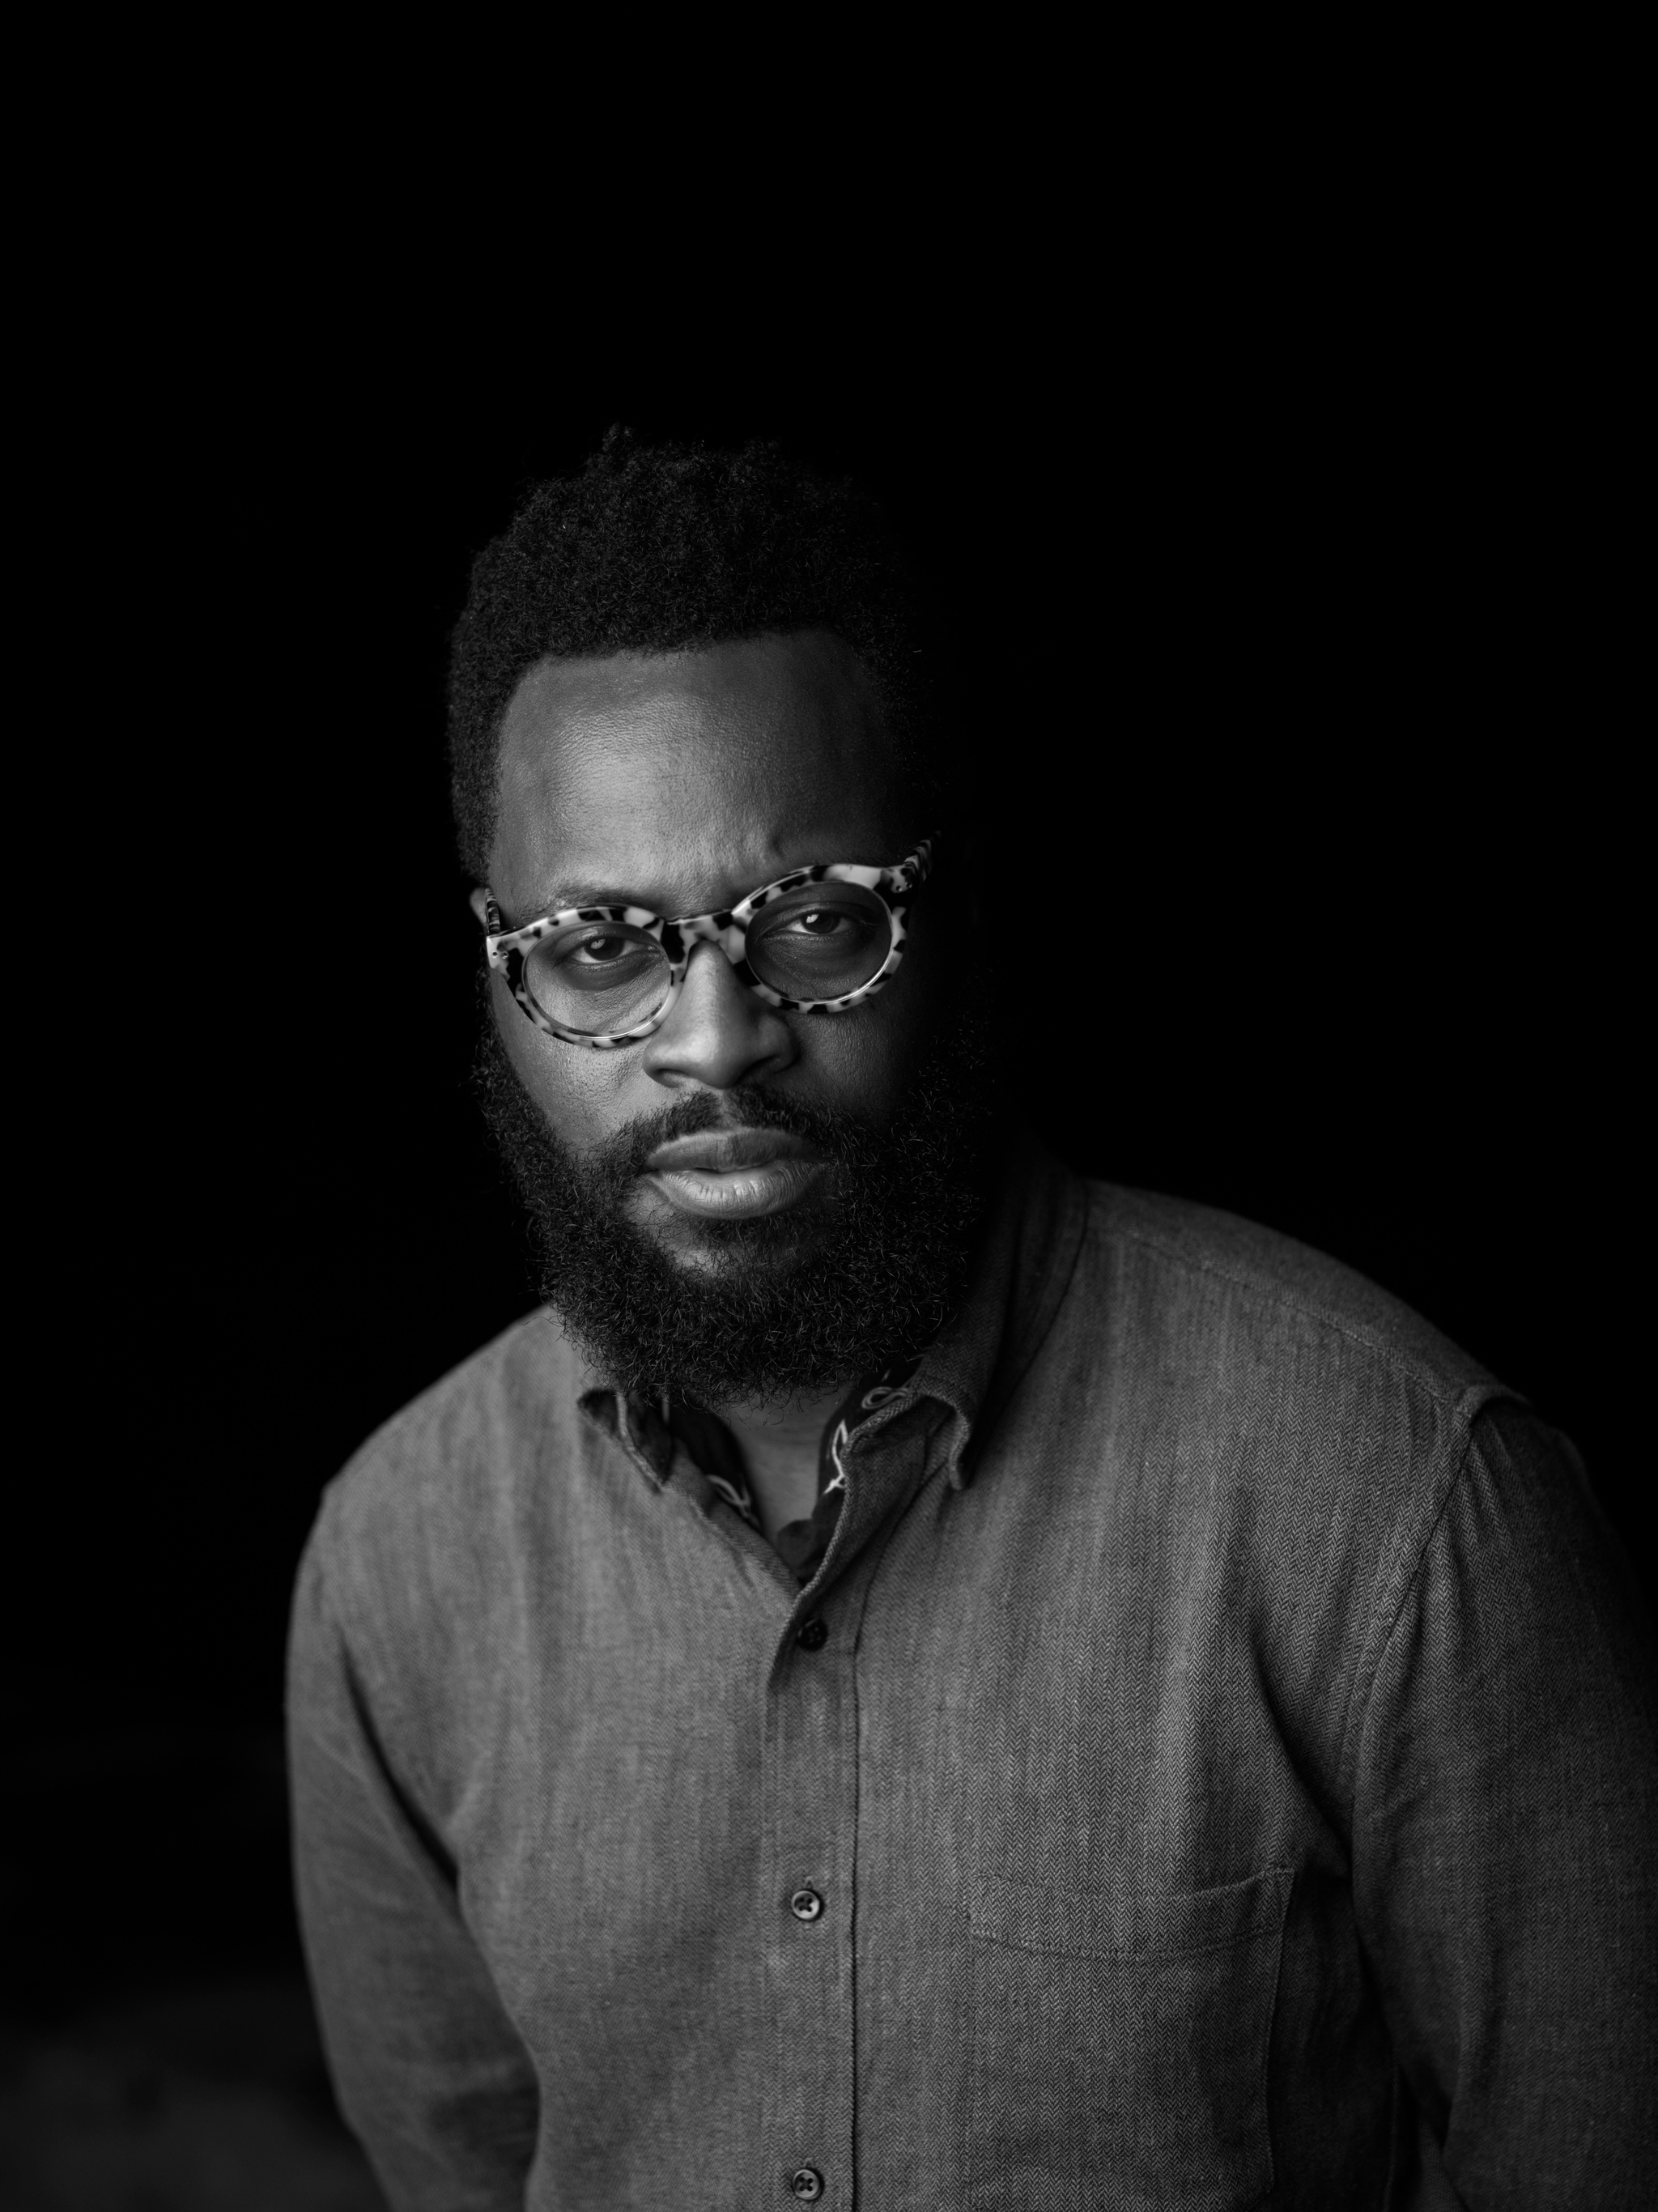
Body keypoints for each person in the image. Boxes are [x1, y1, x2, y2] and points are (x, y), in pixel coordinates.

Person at [287, 430, 1657, 2210]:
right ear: (503, 963)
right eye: (600, 942)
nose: (713, 1043)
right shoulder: (393, 1568)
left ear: (953, 909)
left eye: (813, 922)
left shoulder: (1403, 1511)